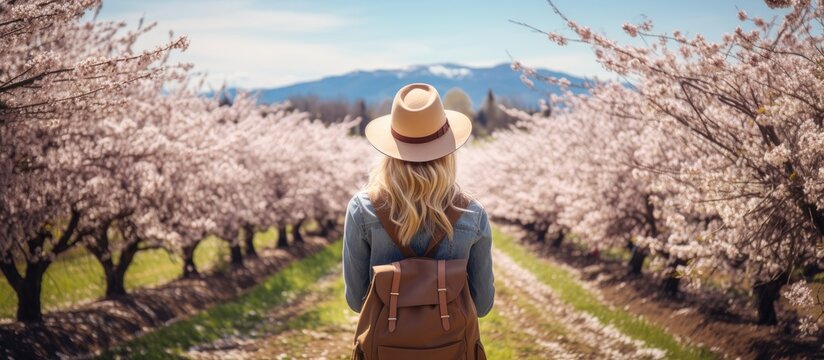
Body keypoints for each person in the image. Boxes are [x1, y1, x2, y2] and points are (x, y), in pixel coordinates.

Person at [342, 82, 495, 318]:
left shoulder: (362, 209)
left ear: (391, 150)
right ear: (448, 152)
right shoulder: (472, 213)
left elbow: (355, 300)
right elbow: (482, 305)